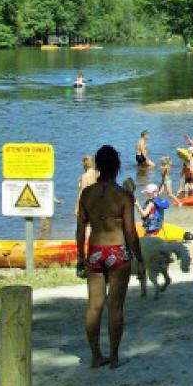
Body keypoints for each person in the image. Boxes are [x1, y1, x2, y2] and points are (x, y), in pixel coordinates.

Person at [76, 145, 143, 370]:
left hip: (94, 251)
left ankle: (96, 356)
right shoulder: (124, 195)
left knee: (94, 306)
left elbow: (79, 229)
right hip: (117, 251)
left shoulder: (87, 194)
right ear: (117, 166)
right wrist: (139, 258)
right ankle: (114, 357)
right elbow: (131, 232)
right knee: (115, 307)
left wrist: (80, 257)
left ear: (98, 166)